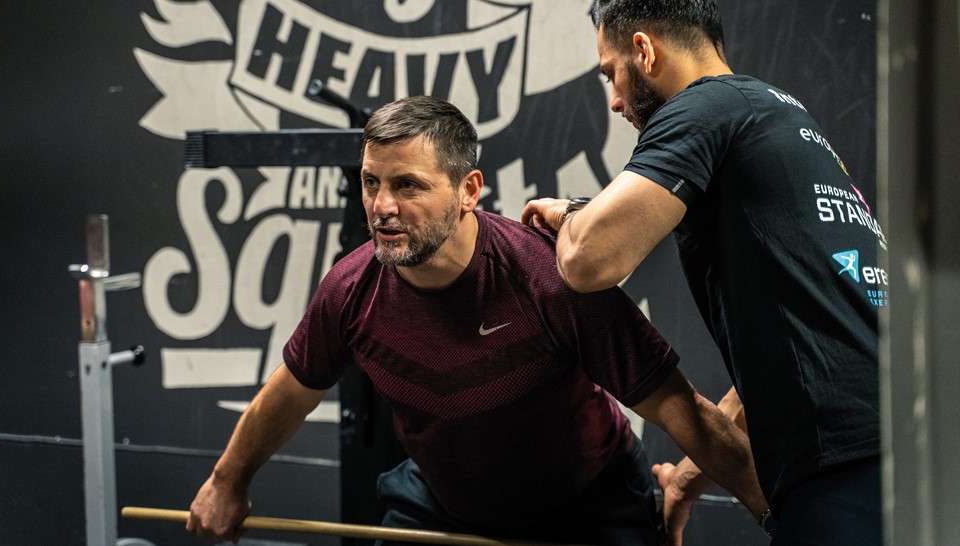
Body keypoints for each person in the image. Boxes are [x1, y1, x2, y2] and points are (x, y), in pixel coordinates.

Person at [186, 95, 766, 546]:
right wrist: (227, 481)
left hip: (589, 505)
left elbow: (683, 411)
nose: (382, 207)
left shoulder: (548, 280)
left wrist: (779, 516)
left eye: (407, 185)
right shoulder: (350, 290)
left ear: (468, 190)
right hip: (443, 506)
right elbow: (290, 393)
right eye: (371, 182)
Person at [521, 1, 885, 544]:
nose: (615, 100)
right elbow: (799, 343)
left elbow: (587, 260)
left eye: (611, 74)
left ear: (644, 51)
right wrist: (690, 477)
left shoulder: (702, 106)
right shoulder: (774, 112)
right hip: (891, 447)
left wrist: (569, 212)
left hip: (845, 465)